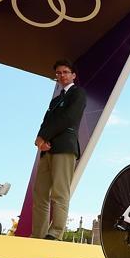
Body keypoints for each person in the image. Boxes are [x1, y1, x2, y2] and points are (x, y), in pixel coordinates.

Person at [31, 59, 86, 240]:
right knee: (40, 194)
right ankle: (38, 234)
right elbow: (46, 121)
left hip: (65, 147)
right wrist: (40, 140)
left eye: (65, 72)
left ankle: (55, 233)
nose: (61, 76)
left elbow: (69, 118)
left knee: (60, 192)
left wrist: (44, 136)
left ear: (73, 75)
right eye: (58, 73)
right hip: (47, 149)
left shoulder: (78, 94)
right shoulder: (55, 100)